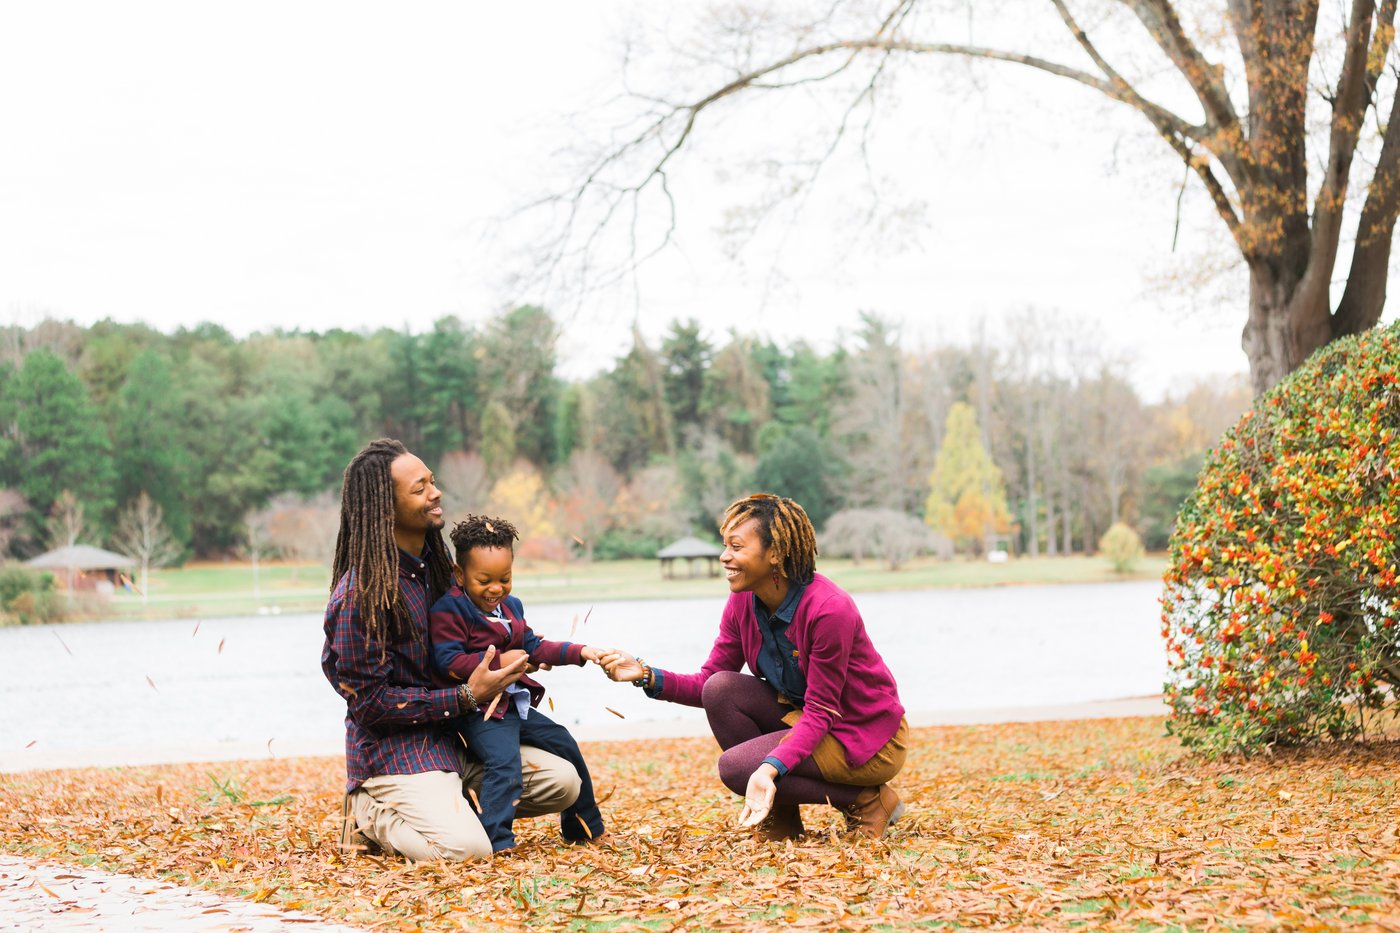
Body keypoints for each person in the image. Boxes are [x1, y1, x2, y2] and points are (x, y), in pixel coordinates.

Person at [321, 438, 583, 861]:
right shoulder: (360, 597)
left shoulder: (439, 571)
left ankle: (448, 804)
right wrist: (466, 696)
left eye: (433, 481)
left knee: (563, 781)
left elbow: (474, 639)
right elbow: (370, 705)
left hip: (456, 741)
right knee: (467, 851)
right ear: (385, 507)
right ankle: (369, 813)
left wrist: (518, 655)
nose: (436, 492)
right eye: (420, 488)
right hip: (396, 755)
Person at [597, 494, 909, 841]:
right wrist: (645, 674)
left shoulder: (828, 610)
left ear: (774, 553)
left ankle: (866, 801)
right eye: (724, 545)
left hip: (865, 736)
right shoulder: (743, 600)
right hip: (810, 720)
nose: (724, 556)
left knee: (736, 768)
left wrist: (769, 767)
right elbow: (708, 682)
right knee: (721, 689)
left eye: (736, 546)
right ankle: (782, 818)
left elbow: (821, 711)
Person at [429, 514, 609, 853]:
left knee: (564, 741)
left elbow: (533, 645)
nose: (496, 588)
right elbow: (448, 661)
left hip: (513, 704)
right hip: (480, 711)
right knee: (504, 763)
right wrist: (501, 662)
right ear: (459, 574)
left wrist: (581, 651)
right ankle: (496, 840)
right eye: (484, 580)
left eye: (505, 578)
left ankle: (582, 824)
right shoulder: (449, 611)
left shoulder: (511, 606)